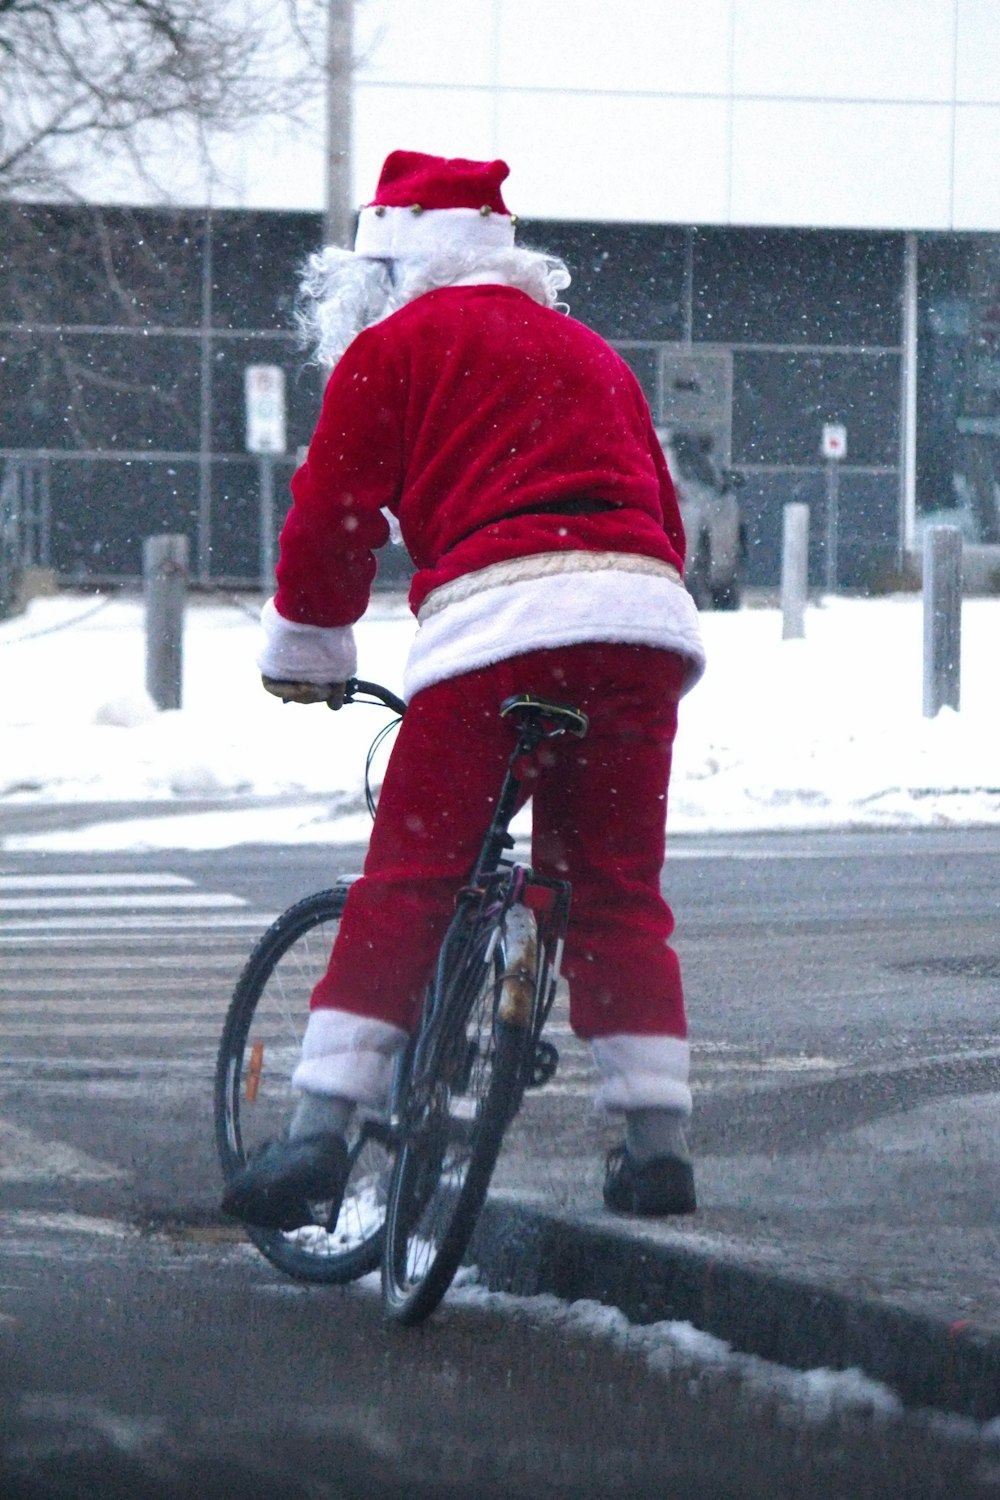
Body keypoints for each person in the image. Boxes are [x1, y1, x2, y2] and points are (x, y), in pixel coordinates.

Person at [222, 149, 706, 1233]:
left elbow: (331, 515)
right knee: (614, 886)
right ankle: (655, 1146)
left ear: (389, 266)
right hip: (637, 628)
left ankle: (317, 1133)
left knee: (415, 873)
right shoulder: (593, 354)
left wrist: (307, 651)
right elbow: (663, 519)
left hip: (499, 630)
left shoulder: (393, 348)